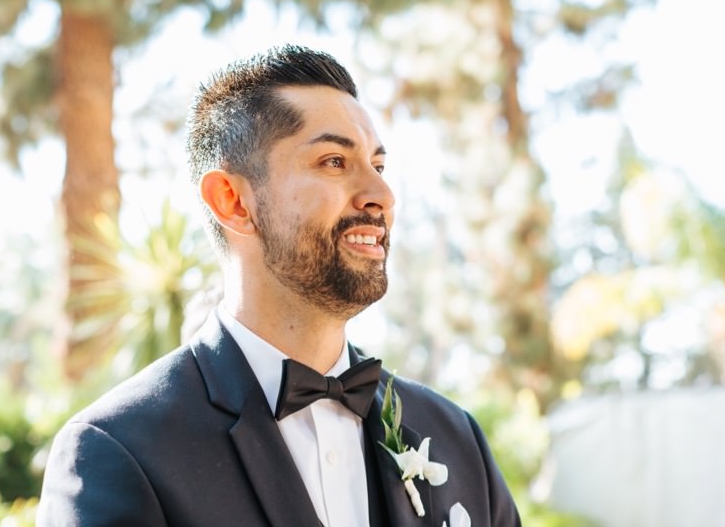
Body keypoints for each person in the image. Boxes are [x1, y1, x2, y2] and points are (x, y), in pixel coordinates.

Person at [37, 45, 520, 526]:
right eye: (334, 161)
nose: (381, 195)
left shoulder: (458, 439)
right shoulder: (121, 451)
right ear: (233, 201)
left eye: (378, 166)